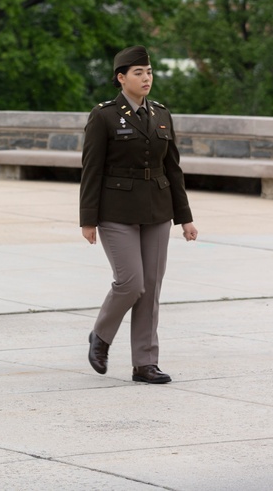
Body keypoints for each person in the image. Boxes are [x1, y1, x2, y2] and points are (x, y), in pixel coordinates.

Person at [80, 45, 198, 384]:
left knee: (151, 287)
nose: (146, 78)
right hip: (116, 211)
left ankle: (145, 363)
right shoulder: (103, 115)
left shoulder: (161, 113)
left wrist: (185, 217)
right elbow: (92, 169)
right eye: (138, 73)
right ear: (121, 78)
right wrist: (88, 218)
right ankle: (101, 336)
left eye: (148, 72)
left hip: (158, 210)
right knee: (131, 282)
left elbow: (173, 169)